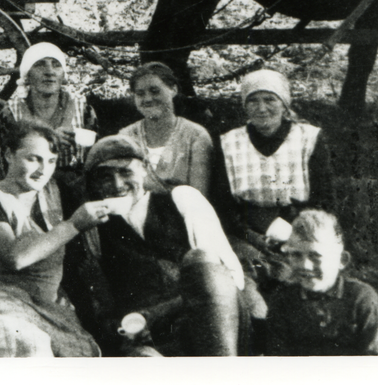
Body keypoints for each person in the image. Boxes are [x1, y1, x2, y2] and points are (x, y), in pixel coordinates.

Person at [68, 135, 250, 356]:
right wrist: (126, 329)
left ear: (144, 168)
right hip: (153, 338)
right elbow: (101, 308)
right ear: (94, 184)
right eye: (105, 177)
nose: (117, 185)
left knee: (199, 258)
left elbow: (227, 278)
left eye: (126, 172)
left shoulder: (181, 199)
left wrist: (154, 313)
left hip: (214, 323)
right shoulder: (93, 229)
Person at [0, 119, 109, 357]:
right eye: (33, 158)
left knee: (82, 356)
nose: (43, 170)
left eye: (51, 161)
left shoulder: (59, 192)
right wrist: (73, 224)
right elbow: (16, 257)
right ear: (9, 155)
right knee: (26, 346)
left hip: (42, 300)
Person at [212, 69, 337, 286]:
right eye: (253, 101)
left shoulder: (308, 138)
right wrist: (253, 236)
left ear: (284, 104)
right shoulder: (229, 142)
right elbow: (222, 204)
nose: (261, 108)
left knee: (297, 272)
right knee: (245, 272)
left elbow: (324, 199)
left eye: (270, 99)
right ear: (244, 106)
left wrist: (293, 230)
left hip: (300, 225)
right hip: (246, 229)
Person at [266, 210, 378, 355]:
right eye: (296, 255)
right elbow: (277, 361)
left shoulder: (361, 299)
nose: (305, 265)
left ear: (342, 260)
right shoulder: (283, 301)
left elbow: (375, 358)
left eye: (315, 256)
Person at [0, 42, 98, 174]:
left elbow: (96, 162)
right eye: (40, 65)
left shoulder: (83, 110)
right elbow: (7, 166)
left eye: (56, 65)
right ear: (27, 76)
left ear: (63, 76)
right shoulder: (11, 114)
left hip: (74, 186)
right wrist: (51, 141)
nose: (49, 72)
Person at [117, 62, 213, 196]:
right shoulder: (126, 137)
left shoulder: (196, 136)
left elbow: (198, 199)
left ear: (173, 90)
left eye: (155, 91)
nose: (148, 99)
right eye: (140, 93)